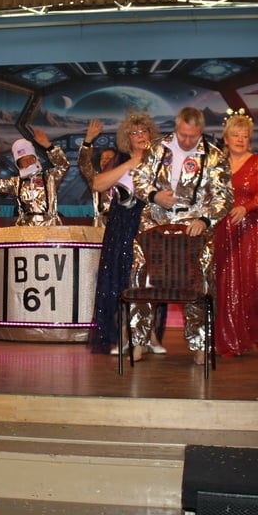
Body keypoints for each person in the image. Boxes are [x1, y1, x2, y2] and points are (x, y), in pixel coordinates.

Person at [130, 107, 233, 363]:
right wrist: (154, 195)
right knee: (141, 279)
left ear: (201, 131)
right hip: (155, 223)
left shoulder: (213, 156)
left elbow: (224, 196)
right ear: (177, 128)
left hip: (192, 226)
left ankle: (200, 344)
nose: (187, 141)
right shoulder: (157, 148)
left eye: (193, 136)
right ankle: (138, 341)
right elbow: (139, 179)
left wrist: (205, 220)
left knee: (199, 284)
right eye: (183, 135)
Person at [79, 116, 164, 355]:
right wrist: (130, 163)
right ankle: (125, 334)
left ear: (151, 133)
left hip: (151, 225)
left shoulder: (160, 159)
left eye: (144, 130)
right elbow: (97, 184)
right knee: (123, 279)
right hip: (123, 227)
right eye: (134, 132)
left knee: (152, 280)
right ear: (127, 138)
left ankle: (150, 334)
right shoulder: (121, 159)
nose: (140, 135)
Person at [213, 114, 258, 356]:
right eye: (236, 135)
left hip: (254, 230)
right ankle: (230, 338)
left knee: (253, 281)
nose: (241, 139)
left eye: (245, 135)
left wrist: (246, 207)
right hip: (224, 228)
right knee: (226, 281)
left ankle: (255, 333)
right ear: (226, 139)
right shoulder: (217, 164)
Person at [0, 128, 69, 226]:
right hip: (25, 228)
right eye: (23, 160)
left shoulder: (49, 178)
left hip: (50, 227)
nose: (28, 162)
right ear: (18, 164)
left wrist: (48, 146)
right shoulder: (16, 183)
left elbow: (63, 166)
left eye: (30, 158)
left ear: (36, 159)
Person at [79, 138, 119, 228]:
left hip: (122, 222)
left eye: (108, 158)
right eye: (102, 159)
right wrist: (87, 143)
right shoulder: (96, 179)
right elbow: (84, 165)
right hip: (101, 224)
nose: (104, 161)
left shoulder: (126, 179)